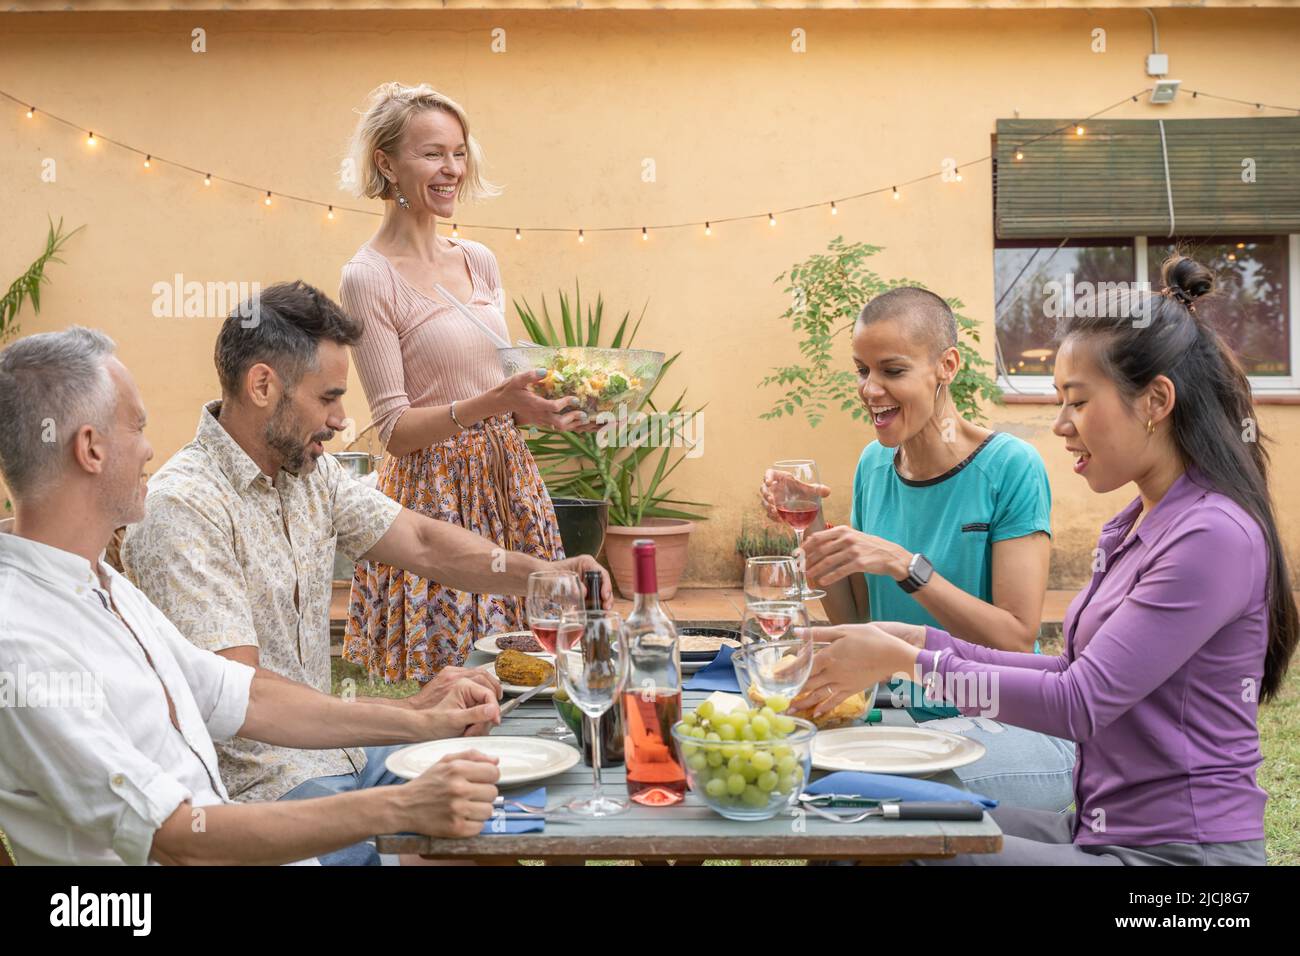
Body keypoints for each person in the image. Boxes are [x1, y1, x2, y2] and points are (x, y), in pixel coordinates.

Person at [793, 256, 1297, 864]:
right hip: (1096, 829)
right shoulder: (1137, 523)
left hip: (1177, 860)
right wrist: (912, 637)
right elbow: (1063, 670)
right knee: (857, 806)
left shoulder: (1212, 535)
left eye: (1077, 403)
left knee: (905, 843)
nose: (1059, 426)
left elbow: (1079, 703)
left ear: (1156, 400)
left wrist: (910, 662)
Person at [119, 282, 608, 863]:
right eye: (328, 398)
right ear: (261, 386)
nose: (341, 419)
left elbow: (423, 542)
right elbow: (243, 699)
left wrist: (545, 575)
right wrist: (410, 715)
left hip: (343, 755)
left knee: (503, 809)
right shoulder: (184, 508)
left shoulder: (307, 472)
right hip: (263, 792)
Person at [0, 327, 504, 866]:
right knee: (460, 845)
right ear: (90, 448)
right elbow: (178, 839)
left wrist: (421, 716)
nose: (150, 447)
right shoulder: (24, 648)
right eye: (138, 427)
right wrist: (400, 808)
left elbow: (244, 698)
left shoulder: (101, 586)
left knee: (497, 814)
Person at [762, 286, 1074, 811]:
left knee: (871, 802)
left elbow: (1016, 640)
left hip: (1004, 718)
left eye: (892, 370)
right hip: (896, 715)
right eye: (862, 370)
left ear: (946, 366)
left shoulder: (1011, 467)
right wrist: (812, 525)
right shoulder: (873, 466)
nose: (870, 389)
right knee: (783, 768)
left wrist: (906, 566)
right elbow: (858, 616)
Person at [338, 81, 591, 683]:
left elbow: (501, 385)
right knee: (460, 680)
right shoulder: (367, 277)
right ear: (386, 163)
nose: (451, 168)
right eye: (431, 154)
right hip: (435, 497)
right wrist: (494, 400)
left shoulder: (479, 260)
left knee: (534, 663)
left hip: (509, 481)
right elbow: (394, 431)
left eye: (458, 151)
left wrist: (542, 409)